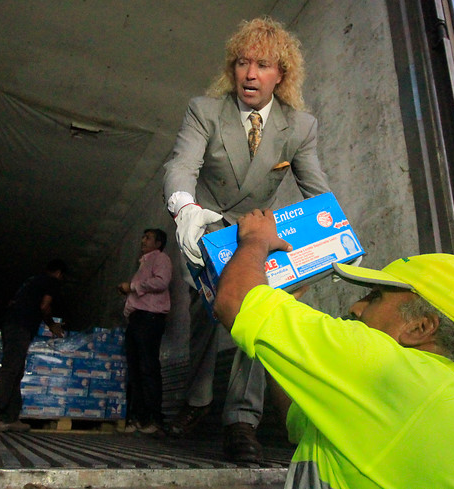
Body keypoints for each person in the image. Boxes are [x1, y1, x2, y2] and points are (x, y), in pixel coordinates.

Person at [213, 208, 454, 488]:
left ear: (420, 327)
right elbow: (297, 415)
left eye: (375, 297)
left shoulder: (388, 368)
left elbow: (234, 302)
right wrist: (279, 339)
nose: (356, 307)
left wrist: (256, 240)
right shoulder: (429, 391)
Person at [162, 16, 330, 461]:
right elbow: (182, 165)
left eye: (263, 65)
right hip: (208, 228)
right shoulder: (205, 110)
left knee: (258, 312)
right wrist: (184, 207)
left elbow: (319, 197)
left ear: (282, 74)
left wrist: (329, 249)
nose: (250, 74)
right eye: (242, 62)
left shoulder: (300, 127)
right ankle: (196, 402)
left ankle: (241, 419)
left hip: (257, 231)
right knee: (204, 321)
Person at [0, 259, 67, 432]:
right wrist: (51, 324)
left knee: (16, 370)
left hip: (11, 324)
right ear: (59, 274)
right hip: (20, 327)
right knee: (11, 369)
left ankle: (10, 417)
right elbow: (44, 306)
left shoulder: (32, 281)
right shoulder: (52, 282)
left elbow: (12, 303)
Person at [118, 228, 172, 437]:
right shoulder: (143, 262)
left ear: (158, 243)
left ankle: (153, 418)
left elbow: (161, 282)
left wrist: (131, 286)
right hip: (137, 319)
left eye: (148, 238)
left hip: (149, 319)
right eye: (143, 237)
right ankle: (138, 417)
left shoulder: (160, 258)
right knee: (135, 369)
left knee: (148, 367)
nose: (143, 240)